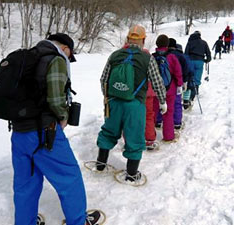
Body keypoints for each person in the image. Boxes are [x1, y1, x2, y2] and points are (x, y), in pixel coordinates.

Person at [11, 33, 100, 225]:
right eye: (69, 56)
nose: (68, 59)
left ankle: (25, 222)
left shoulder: (27, 57)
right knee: (69, 177)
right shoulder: (55, 59)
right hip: (44, 132)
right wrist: (63, 116)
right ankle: (78, 221)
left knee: (25, 184)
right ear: (65, 48)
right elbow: (55, 99)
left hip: (19, 132)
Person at [96, 25, 167, 181]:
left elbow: (104, 80)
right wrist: (162, 101)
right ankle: (131, 174)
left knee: (108, 131)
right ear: (143, 40)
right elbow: (157, 82)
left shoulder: (114, 55)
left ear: (128, 39)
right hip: (135, 105)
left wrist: (108, 98)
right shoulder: (147, 58)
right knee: (134, 137)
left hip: (114, 102)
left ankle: (100, 164)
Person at [152, 34, 183, 142]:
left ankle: (150, 136)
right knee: (168, 112)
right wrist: (179, 84)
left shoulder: (153, 57)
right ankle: (169, 136)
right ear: (167, 44)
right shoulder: (171, 57)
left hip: (155, 89)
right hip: (170, 89)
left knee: (153, 112)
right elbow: (178, 72)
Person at [168, 38, 189, 130]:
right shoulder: (181, 56)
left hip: (163, 83)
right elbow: (184, 70)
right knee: (177, 103)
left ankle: (159, 121)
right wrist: (184, 82)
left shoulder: (164, 54)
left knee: (162, 102)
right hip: (176, 83)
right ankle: (177, 123)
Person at [185, 30, 211, 100]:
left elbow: (186, 53)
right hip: (200, 61)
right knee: (197, 77)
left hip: (191, 61)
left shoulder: (190, 42)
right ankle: (196, 91)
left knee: (190, 76)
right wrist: (207, 60)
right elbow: (208, 54)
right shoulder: (204, 43)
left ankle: (189, 91)